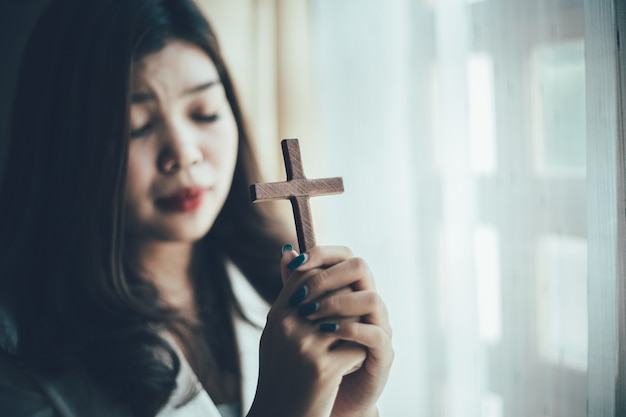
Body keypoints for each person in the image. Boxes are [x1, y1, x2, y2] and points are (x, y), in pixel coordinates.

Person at [0, 0, 393, 416]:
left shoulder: (273, 281)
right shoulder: (20, 358)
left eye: (204, 113)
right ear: (65, 146)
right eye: (137, 126)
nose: (183, 153)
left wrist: (346, 410)